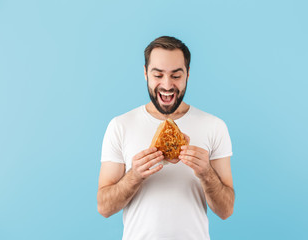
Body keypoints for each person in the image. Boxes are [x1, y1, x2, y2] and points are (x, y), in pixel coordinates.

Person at [97, 36, 235, 240]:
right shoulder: (120, 126)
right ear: (145, 73)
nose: (167, 85)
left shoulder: (214, 126)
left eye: (176, 75)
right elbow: (104, 207)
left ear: (188, 74)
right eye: (158, 75)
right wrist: (135, 175)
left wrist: (206, 173)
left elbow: (226, 210)